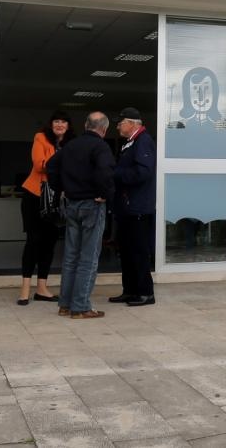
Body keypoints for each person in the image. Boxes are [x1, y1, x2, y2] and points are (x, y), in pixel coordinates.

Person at [47, 111, 115, 319]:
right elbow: (105, 171)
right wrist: (105, 194)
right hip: (92, 205)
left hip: (72, 204)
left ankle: (65, 305)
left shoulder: (70, 145)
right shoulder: (101, 147)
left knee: (71, 256)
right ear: (104, 129)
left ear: (86, 125)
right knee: (88, 257)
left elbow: (51, 166)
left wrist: (61, 188)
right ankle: (81, 307)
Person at [18, 111, 70, 306]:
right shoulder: (41, 137)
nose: (60, 124)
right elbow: (39, 165)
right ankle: (25, 289)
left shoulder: (71, 144)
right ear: (51, 124)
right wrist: (64, 164)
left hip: (55, 198)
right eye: (56, 121)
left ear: (68, 126)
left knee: (49, 242)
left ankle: (42, 288)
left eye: (63, 122)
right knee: (33, 241)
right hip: (34, 195)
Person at [110, 106, 156, 307]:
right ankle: (130, 290)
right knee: (126, 251)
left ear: (131, 123)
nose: (118, 126)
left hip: (138, 207)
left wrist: (116, 174)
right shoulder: (130, 142)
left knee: (138, 251)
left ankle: (145, 292)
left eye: (120, 123)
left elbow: (143, 172)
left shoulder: (143, 141)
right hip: (126, 207)